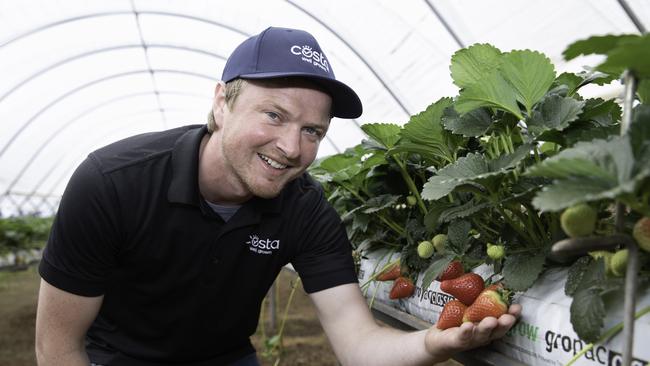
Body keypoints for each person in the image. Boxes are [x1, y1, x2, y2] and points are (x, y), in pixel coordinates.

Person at [35, 26, 521, 366]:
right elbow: (56, 346)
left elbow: (358, 345)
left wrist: (435, 344)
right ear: (222, 103)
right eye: (274, 115)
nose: (292, 148)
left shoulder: (306, 212)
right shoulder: (112, 182)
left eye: (313, 130)